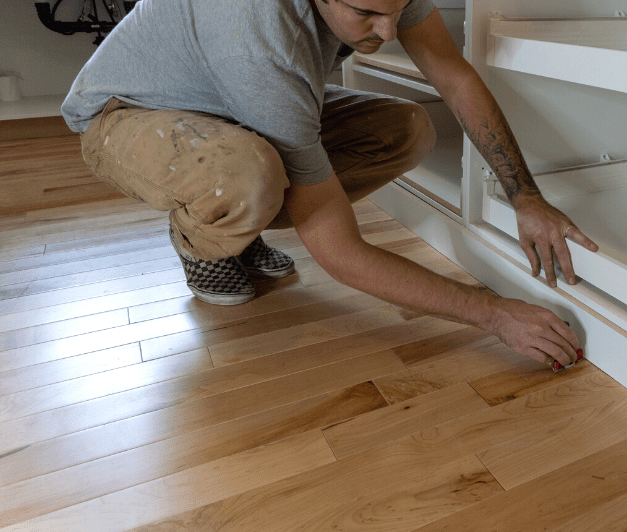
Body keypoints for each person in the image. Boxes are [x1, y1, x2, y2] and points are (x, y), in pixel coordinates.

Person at [61, 0, 599, 367]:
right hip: (131, 112)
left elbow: (454, 77)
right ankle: (205, 243)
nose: (388, 33)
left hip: (234, 103)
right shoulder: (255, 33)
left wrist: (525, 195)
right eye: (365, 12)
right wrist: (493, 312)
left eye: (395, 9)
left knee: (407, 129)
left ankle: (244, 221)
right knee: (246, 177)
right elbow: (340, 253)